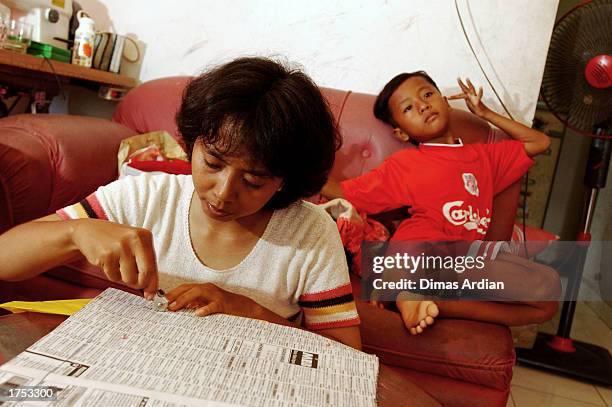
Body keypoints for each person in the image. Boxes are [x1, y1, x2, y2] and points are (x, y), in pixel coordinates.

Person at [0, 57, 361, 350]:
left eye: (253, 180)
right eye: (213, 164)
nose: (222, 192)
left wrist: (244, 308)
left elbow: (345, 353)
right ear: (192, 143)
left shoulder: (309, 232)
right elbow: (5, 257)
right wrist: (76, 232)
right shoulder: (150, 196)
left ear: (286, 180)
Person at [322, 71, 560, 335]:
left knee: (548, 294)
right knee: (411, 255)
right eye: (409, 107)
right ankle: (406, 293)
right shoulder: (407, 165)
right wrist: (299, 175)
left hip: (463, 263)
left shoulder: (486, 157)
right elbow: (345, 192)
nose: (423, 105)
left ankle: (435, 302)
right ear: (401, 133)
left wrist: (485, 113)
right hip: (419, 254)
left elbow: (540, 141)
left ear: (445, 102)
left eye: (427, 95)